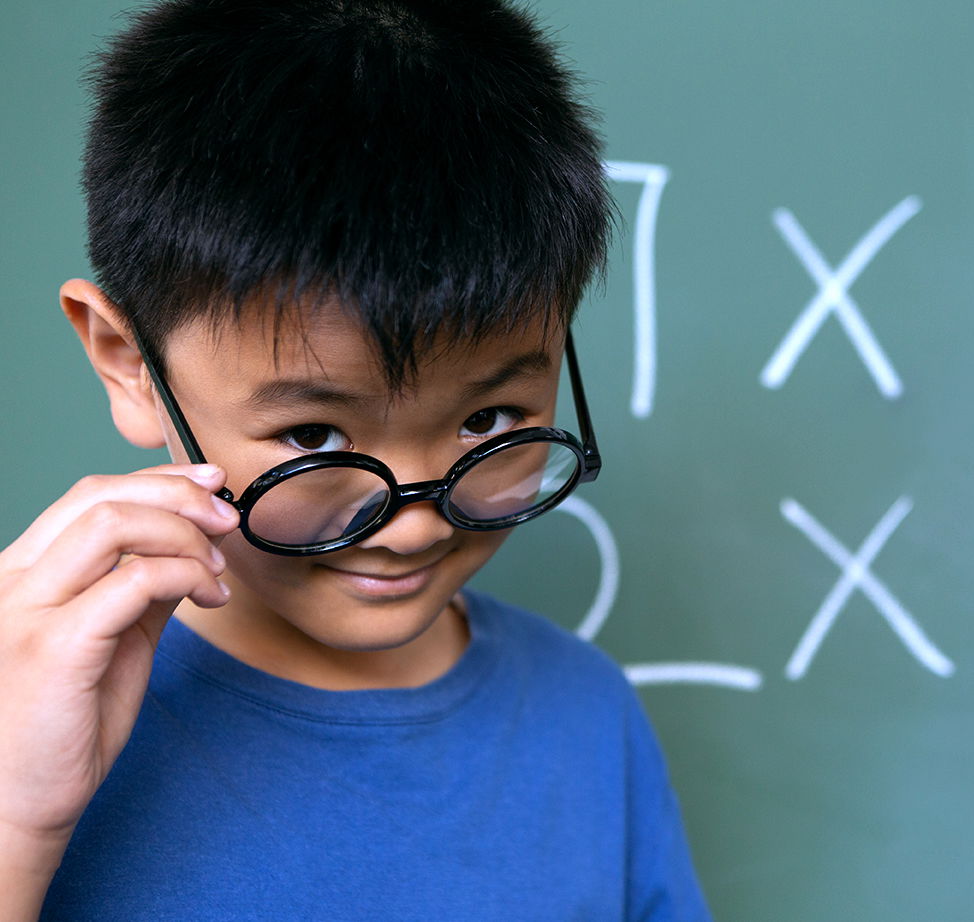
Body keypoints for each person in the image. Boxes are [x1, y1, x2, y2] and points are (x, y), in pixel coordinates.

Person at [0, 1, 712, 918]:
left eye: (489, 418)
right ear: (131, 365)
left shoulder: (587, 719)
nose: (414, 523)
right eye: (312, 439)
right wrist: (14, 826)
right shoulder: (26, 717)